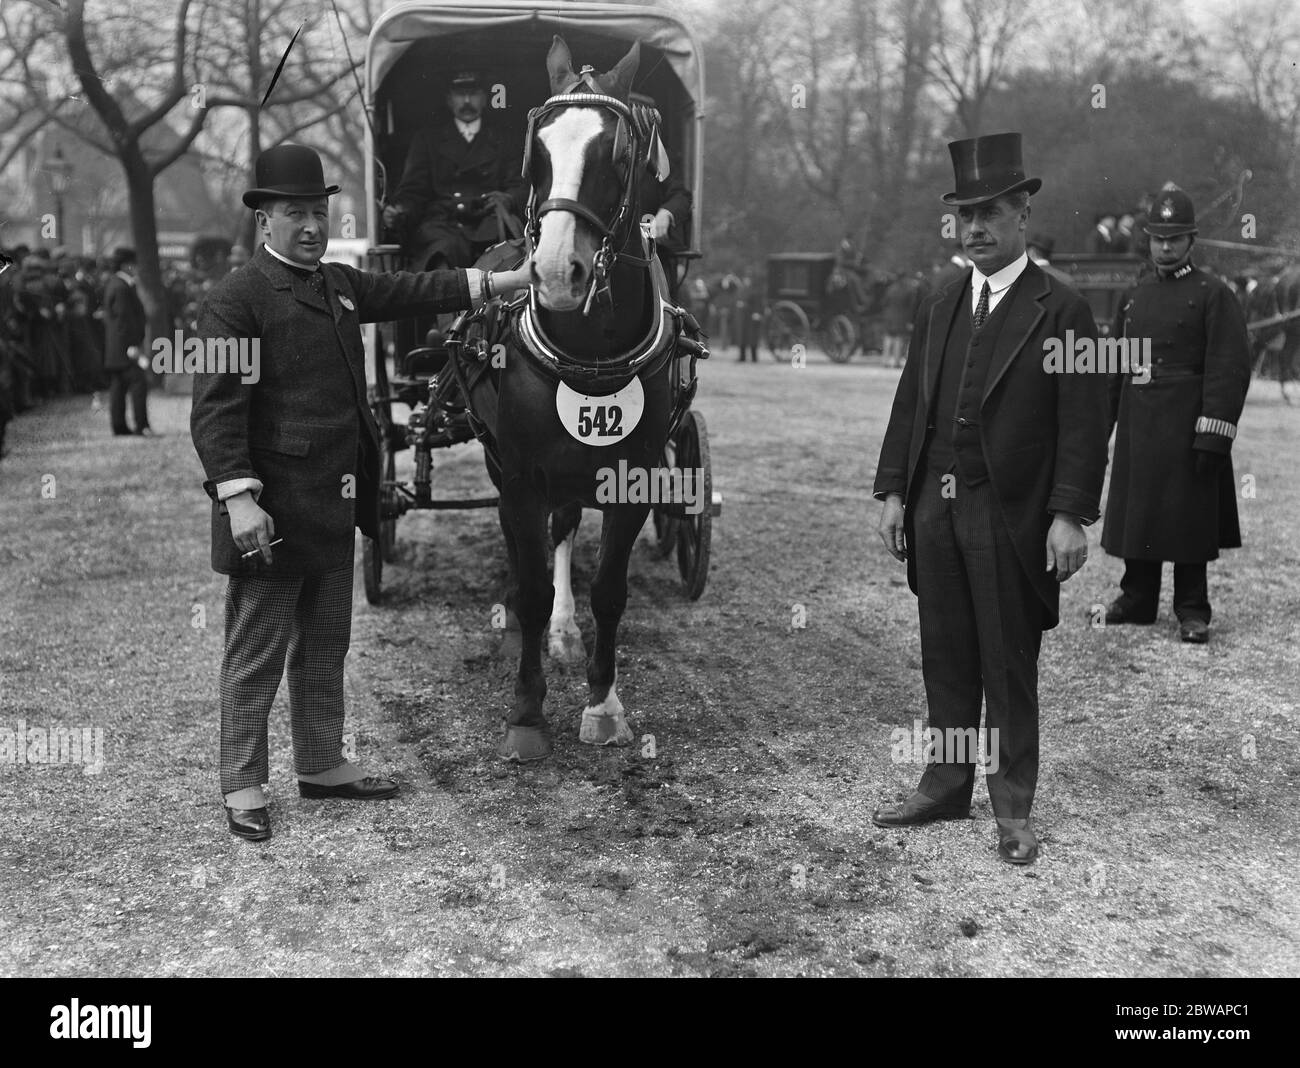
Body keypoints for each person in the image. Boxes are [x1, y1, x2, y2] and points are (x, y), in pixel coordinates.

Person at [191, 143, 531, 842]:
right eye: (295, 213)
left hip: (334, 506)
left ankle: (319, 765)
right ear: (264, 221)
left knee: (325, 646)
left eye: (319, 211)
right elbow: (216, 410)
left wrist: (506, 282)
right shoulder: (235, 300)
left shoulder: (339, 285)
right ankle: (244, 783)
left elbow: (413, 290)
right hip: (271, 515)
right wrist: (238, 497)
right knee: (255, 651)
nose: (311, 225)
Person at [872, 132, 1110, 865]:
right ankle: (945, 786)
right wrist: (891, 493)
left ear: (1023, 216)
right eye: (966, 215)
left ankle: (1012, 808)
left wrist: (1069, 515)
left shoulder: (1062, 309)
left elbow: (1084, 421)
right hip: (934, 506)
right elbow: (912, 400)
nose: (976, 228)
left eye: (992, 213)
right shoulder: (939, 299)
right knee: (945, 654)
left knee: (1008, 661)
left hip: (1011, 513)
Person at [1099, 186, 1251, 644]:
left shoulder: (1213, 293)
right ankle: (1138, 597)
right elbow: (1115, 363)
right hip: (1140, 417)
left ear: (1191, 240)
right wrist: (1101, 423)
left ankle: (1191, 607)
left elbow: (1229, 365)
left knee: (1188, 515)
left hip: (1188, 421)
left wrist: (1214, 430)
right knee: (1141, 509)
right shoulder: (1134, 294)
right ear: (1148, 239)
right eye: (1159, 238)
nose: (1166, 247)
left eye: (1176, 238)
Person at [382, 70, 527, 272]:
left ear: (484, 99)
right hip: (443, 223)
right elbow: (413, 190)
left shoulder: (504, 139)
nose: (467, 101)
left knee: (507, 256)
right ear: (449, 100)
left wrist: (507, 200)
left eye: (473, 94)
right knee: (442, 253)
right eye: (460, 94)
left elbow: (519, 186)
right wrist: (400, 210)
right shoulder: (427, 139)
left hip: (490, 221)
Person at [102, 247, 154, 437]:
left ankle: (119, 426)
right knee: (138, 384)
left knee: (118, 387)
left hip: (116, 348)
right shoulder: (123, 287)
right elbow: (125, 320)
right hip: (126, 346)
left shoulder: (115, 284)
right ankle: (142, 424)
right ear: (126, 265)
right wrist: (132, 345)